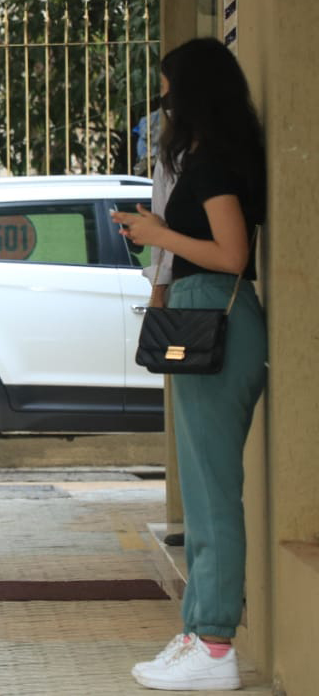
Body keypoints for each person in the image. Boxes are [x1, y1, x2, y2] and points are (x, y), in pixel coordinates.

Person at [112, 38, 266, 691]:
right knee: (205, 491)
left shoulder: (212, 164)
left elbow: (232, 254)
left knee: (211, 494)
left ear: (195, 92)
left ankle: (215, 645)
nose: (164, 103)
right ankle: (201, 630)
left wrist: (158, 234)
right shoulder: (213, 155)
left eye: (170, 89)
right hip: (204, 318)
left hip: (215, 320)